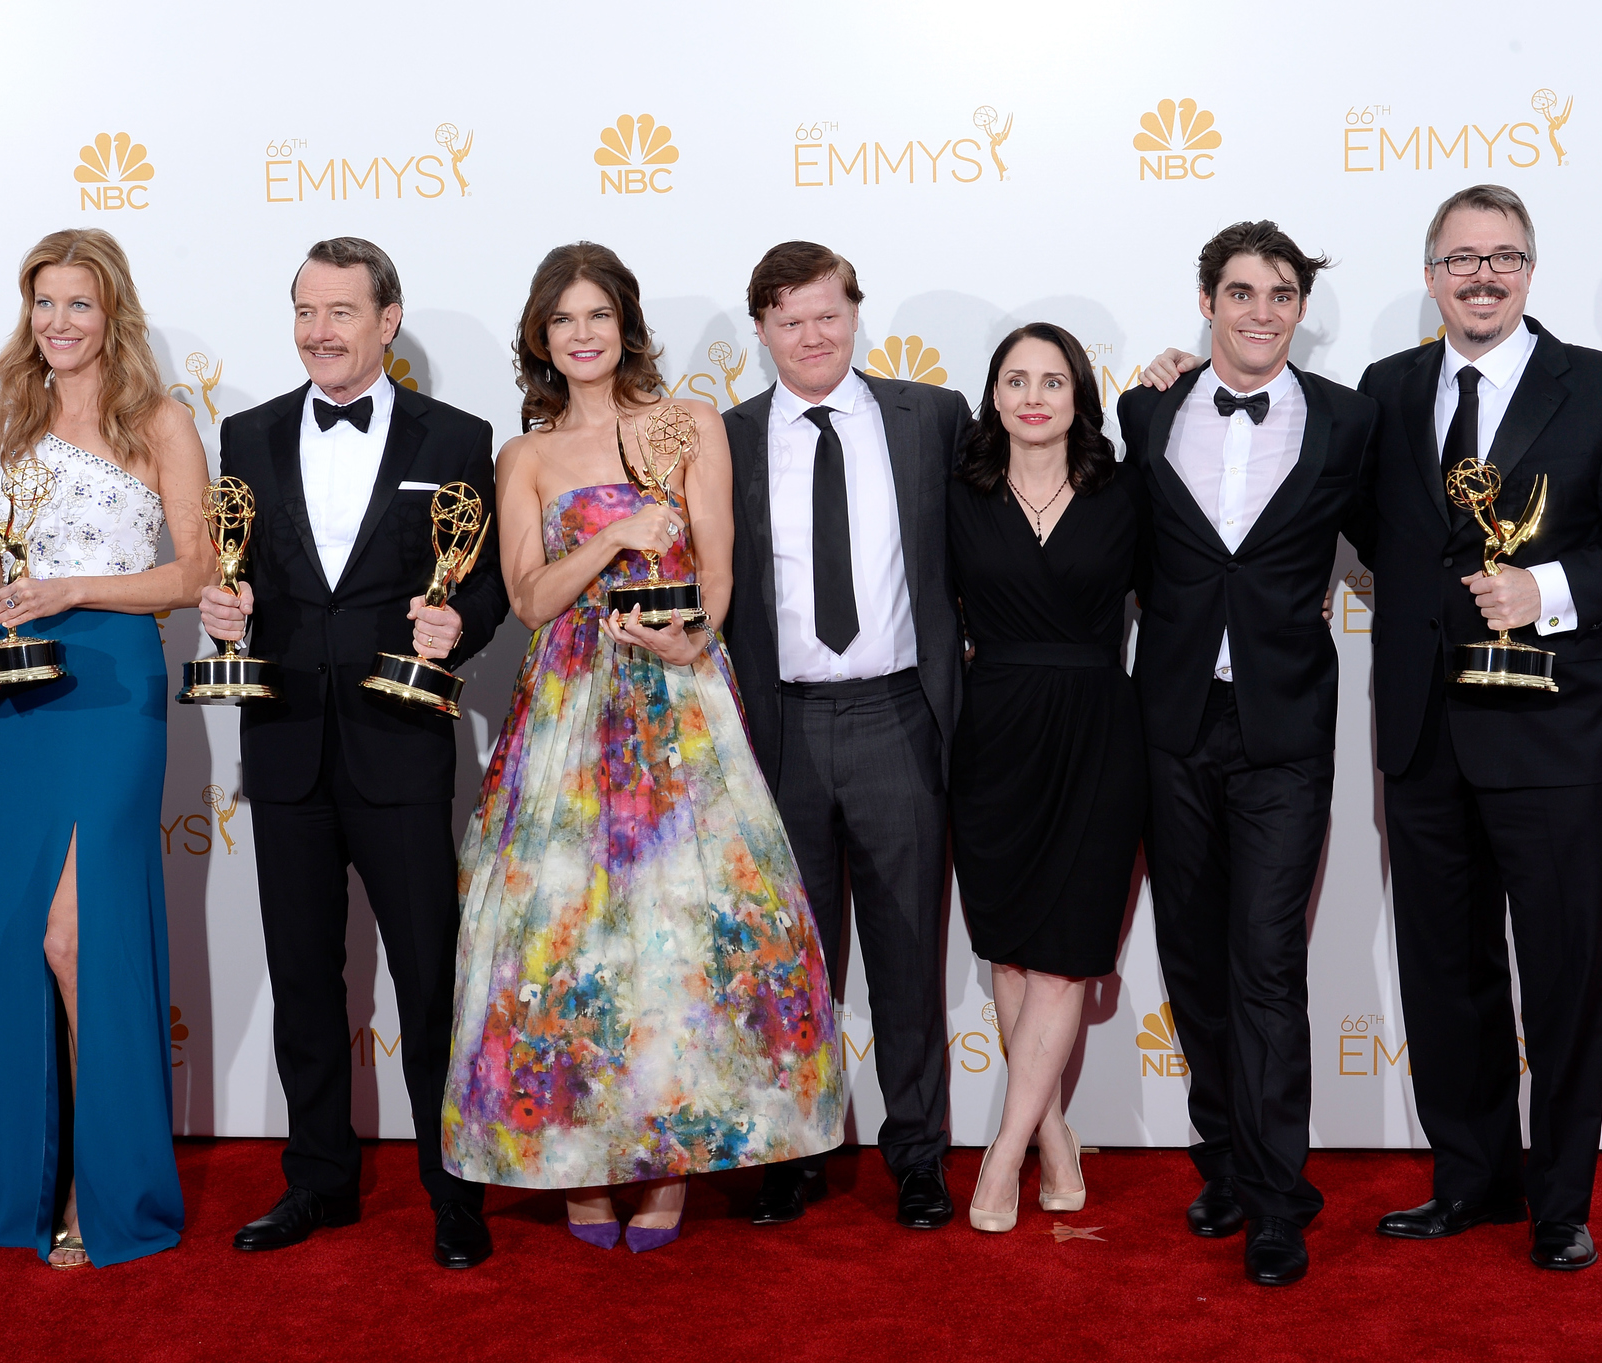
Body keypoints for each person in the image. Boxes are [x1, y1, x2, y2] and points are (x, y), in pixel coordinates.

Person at [441, 242, 842, 1252]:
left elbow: (716, 577)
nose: (582, 335)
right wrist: (613, 540)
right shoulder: (524, 456)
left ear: (624, 324)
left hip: (679, 702)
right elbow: (530, 599)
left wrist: (688, 634)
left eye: (598, 316)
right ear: (541, 336)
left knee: (679, 937)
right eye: (562, 320)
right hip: (569, 710)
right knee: (563, 938)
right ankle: (579, 1166)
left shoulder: (690, 423)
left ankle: (665, 1163)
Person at [1354, 186, 1602, 1269]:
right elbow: (1349, 508)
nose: (1481, 275)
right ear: (1430, 276)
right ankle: (1469, 1183)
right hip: (1421, 733)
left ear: (1529, 272)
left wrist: (1546, 588)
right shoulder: (1384, 388)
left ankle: (1559, 1202)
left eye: (1502, 256)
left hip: (1551, 739)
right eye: (1460, 258)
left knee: (1558, 976)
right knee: (1442, 977)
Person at [197, 237, 507, 1270]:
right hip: (282, 742)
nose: (319, 331)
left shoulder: (459, 436)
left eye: (340, 311)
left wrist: (456, 621)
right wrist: (221, 611)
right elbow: (239, 565)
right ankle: (317, 1179)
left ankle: (451, 1186)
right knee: (302, 978)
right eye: (304, 311)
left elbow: (491, 577)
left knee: (429, 982)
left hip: (401, 742)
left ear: (387, 319)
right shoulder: (242, 432)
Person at [0, 228, 213, 1269]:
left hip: (112, 678)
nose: (58, 323)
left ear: (114, 315)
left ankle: (114, 1186)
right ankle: (26, 1182)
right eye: (43, 303)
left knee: (77, 937)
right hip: (21, 685)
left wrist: (76, 588)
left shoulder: (160, 421)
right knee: (18, 941)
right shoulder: (5, 423)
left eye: (78, 305)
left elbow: (188, 576)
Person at [1120, 221, 1376, 1286]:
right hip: (1169, 725)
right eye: (1239, 292)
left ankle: (1279, 1200)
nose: (1259, 311)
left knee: (1264, 964)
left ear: (1299, 307)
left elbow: (1399, 545)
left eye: (1279, 294)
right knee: (1191, 957)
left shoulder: (1347, 421)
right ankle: (1221, 1156)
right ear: (1204, 299)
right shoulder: (1142, 411)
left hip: (1282, 732)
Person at [721, 242, 971, 1231]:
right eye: (789, 320)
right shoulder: (726, 437)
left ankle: (917, 1154)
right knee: (790, 960)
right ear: (762, 332)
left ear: (854, 312)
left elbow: (1044, 465)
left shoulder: (930, 419)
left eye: (825, 314)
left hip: (899, 715)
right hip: (776, 727)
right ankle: (794, 1153)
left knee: (909, 955)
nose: (811, 335)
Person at [950, 323, 1148, 1233]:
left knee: (1066, 953)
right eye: (1016, 379)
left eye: (1054, 380)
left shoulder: (1125, 490)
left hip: (1099, 735)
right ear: (993, 394)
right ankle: (1056, 1143)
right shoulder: (960, 492)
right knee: (1014, 950)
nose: (1034, 395)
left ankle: (1000, 1158)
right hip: (992, 735)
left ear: (1081, 396)